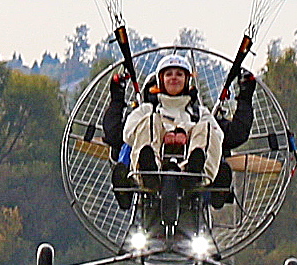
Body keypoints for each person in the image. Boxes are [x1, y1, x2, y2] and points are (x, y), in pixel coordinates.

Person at [103, 54, 255, 210]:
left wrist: (184, 132)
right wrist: (165, 134)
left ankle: (197, 173)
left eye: (179, 74)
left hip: (192, 171)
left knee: (206, 128)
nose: (174, 78)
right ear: (160, 80)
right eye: (169, 74)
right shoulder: (147, 111)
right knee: (150, 121)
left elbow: (220, 136)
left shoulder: (199, 113)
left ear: (187, 80)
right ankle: (147, 170)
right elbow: (127, 133)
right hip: (154, 168)